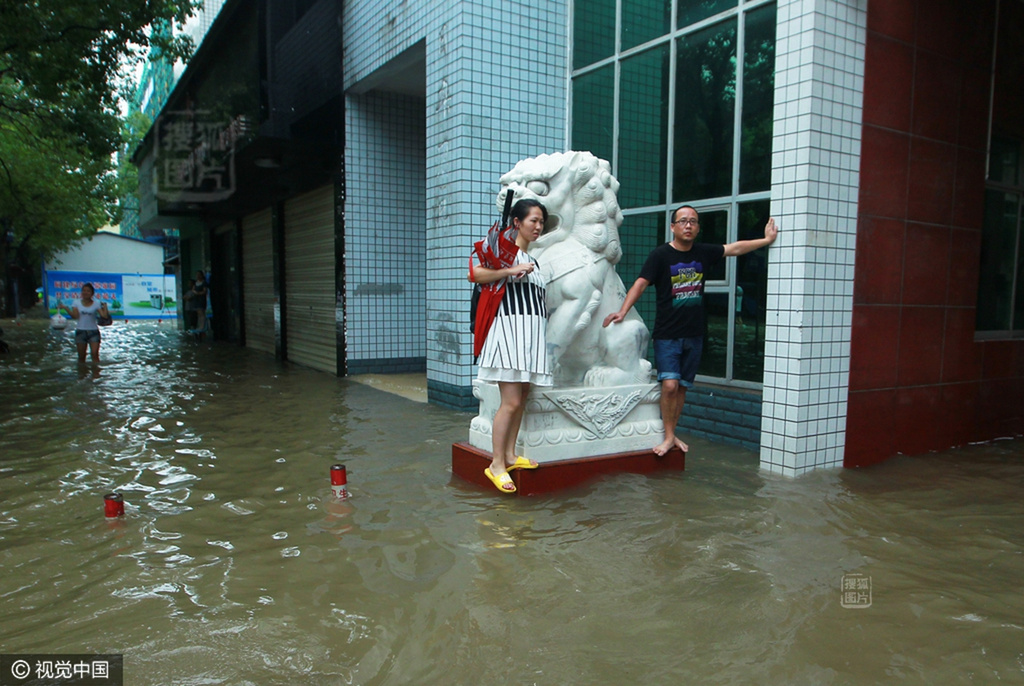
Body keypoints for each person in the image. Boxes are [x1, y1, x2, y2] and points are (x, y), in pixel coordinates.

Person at [603, 205, 778, 455]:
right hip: (667, 334)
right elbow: (640, 284)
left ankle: (672, 434)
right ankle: (668, 435)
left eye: (693, 221)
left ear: (697, 228)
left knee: (682, 386)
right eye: (683, 221)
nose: (688, 225)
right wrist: (622, 310)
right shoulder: (661, 255)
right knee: (670, 385)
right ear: (673, 226)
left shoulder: (703, 252)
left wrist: (766, 240)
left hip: (694, 334)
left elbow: (734, 248)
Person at [469, 198, 552, 494]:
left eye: (542, 221)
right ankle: (496, 464)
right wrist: (508, 271)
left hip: (530, 337)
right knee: (512, 401)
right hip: (509, 333)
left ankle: (509, 455)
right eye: (533, 220)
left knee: (523, 395)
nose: (539, 226)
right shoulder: (500, 253)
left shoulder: (535, 260)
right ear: (517, 222)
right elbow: (475, 274)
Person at [58, 282, 110, 363]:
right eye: (84, 291)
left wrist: (105, 307)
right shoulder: (76, 302)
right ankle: (82, 373)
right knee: (81, 357)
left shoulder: (96, 303)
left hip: (93, 331)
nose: (85, 293)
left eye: (88, 291)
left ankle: (96, 373)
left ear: (92, 293)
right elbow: (75, 316)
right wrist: (66, 308)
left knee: (94, 354)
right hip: (81, 331)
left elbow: (104, 316)